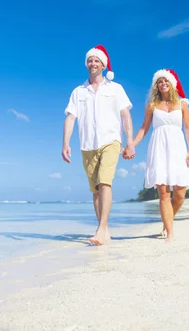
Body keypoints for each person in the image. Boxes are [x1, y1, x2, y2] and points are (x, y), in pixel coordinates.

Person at [62, 45, 135, 246]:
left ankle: (101, 228)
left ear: (103, 64)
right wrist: (66, 143)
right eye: (90, 61)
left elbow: (125, 115)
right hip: (87, 144)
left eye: (96, 60)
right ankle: (104, 228)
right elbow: (70, 117)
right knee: (95, 189)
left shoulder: (116, 89)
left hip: (111, 140)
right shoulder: (78, 92)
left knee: (105, 181)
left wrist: (130, 142)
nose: (93, 63)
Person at [128, 69, 189, 242]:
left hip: (178, 148)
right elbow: (144, 128)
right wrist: (131, 145)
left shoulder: (182, 104)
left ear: (172, 83)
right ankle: (170, 233)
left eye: (166, 80)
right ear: (156, 85)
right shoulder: (152, 105)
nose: (163, 83)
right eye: (159, 81)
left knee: (180, 193)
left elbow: (188, 128)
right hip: (158, 148)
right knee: (164, 193)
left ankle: (167, 222)